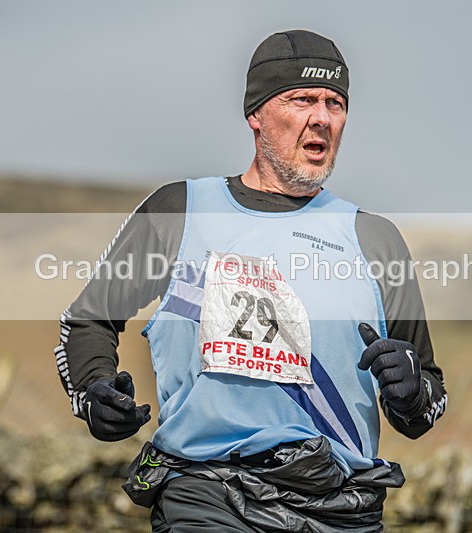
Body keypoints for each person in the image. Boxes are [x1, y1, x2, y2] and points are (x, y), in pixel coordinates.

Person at [55, 29, 447, 532]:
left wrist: (411, 390)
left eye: (335, 103)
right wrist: (94, 391)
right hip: (205, 496)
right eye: (301, 99)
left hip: (342, 507)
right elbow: (86, 320)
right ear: (256, 115)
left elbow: (427, 402)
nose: (322, 118)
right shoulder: (181, 210)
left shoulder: (374, 238)